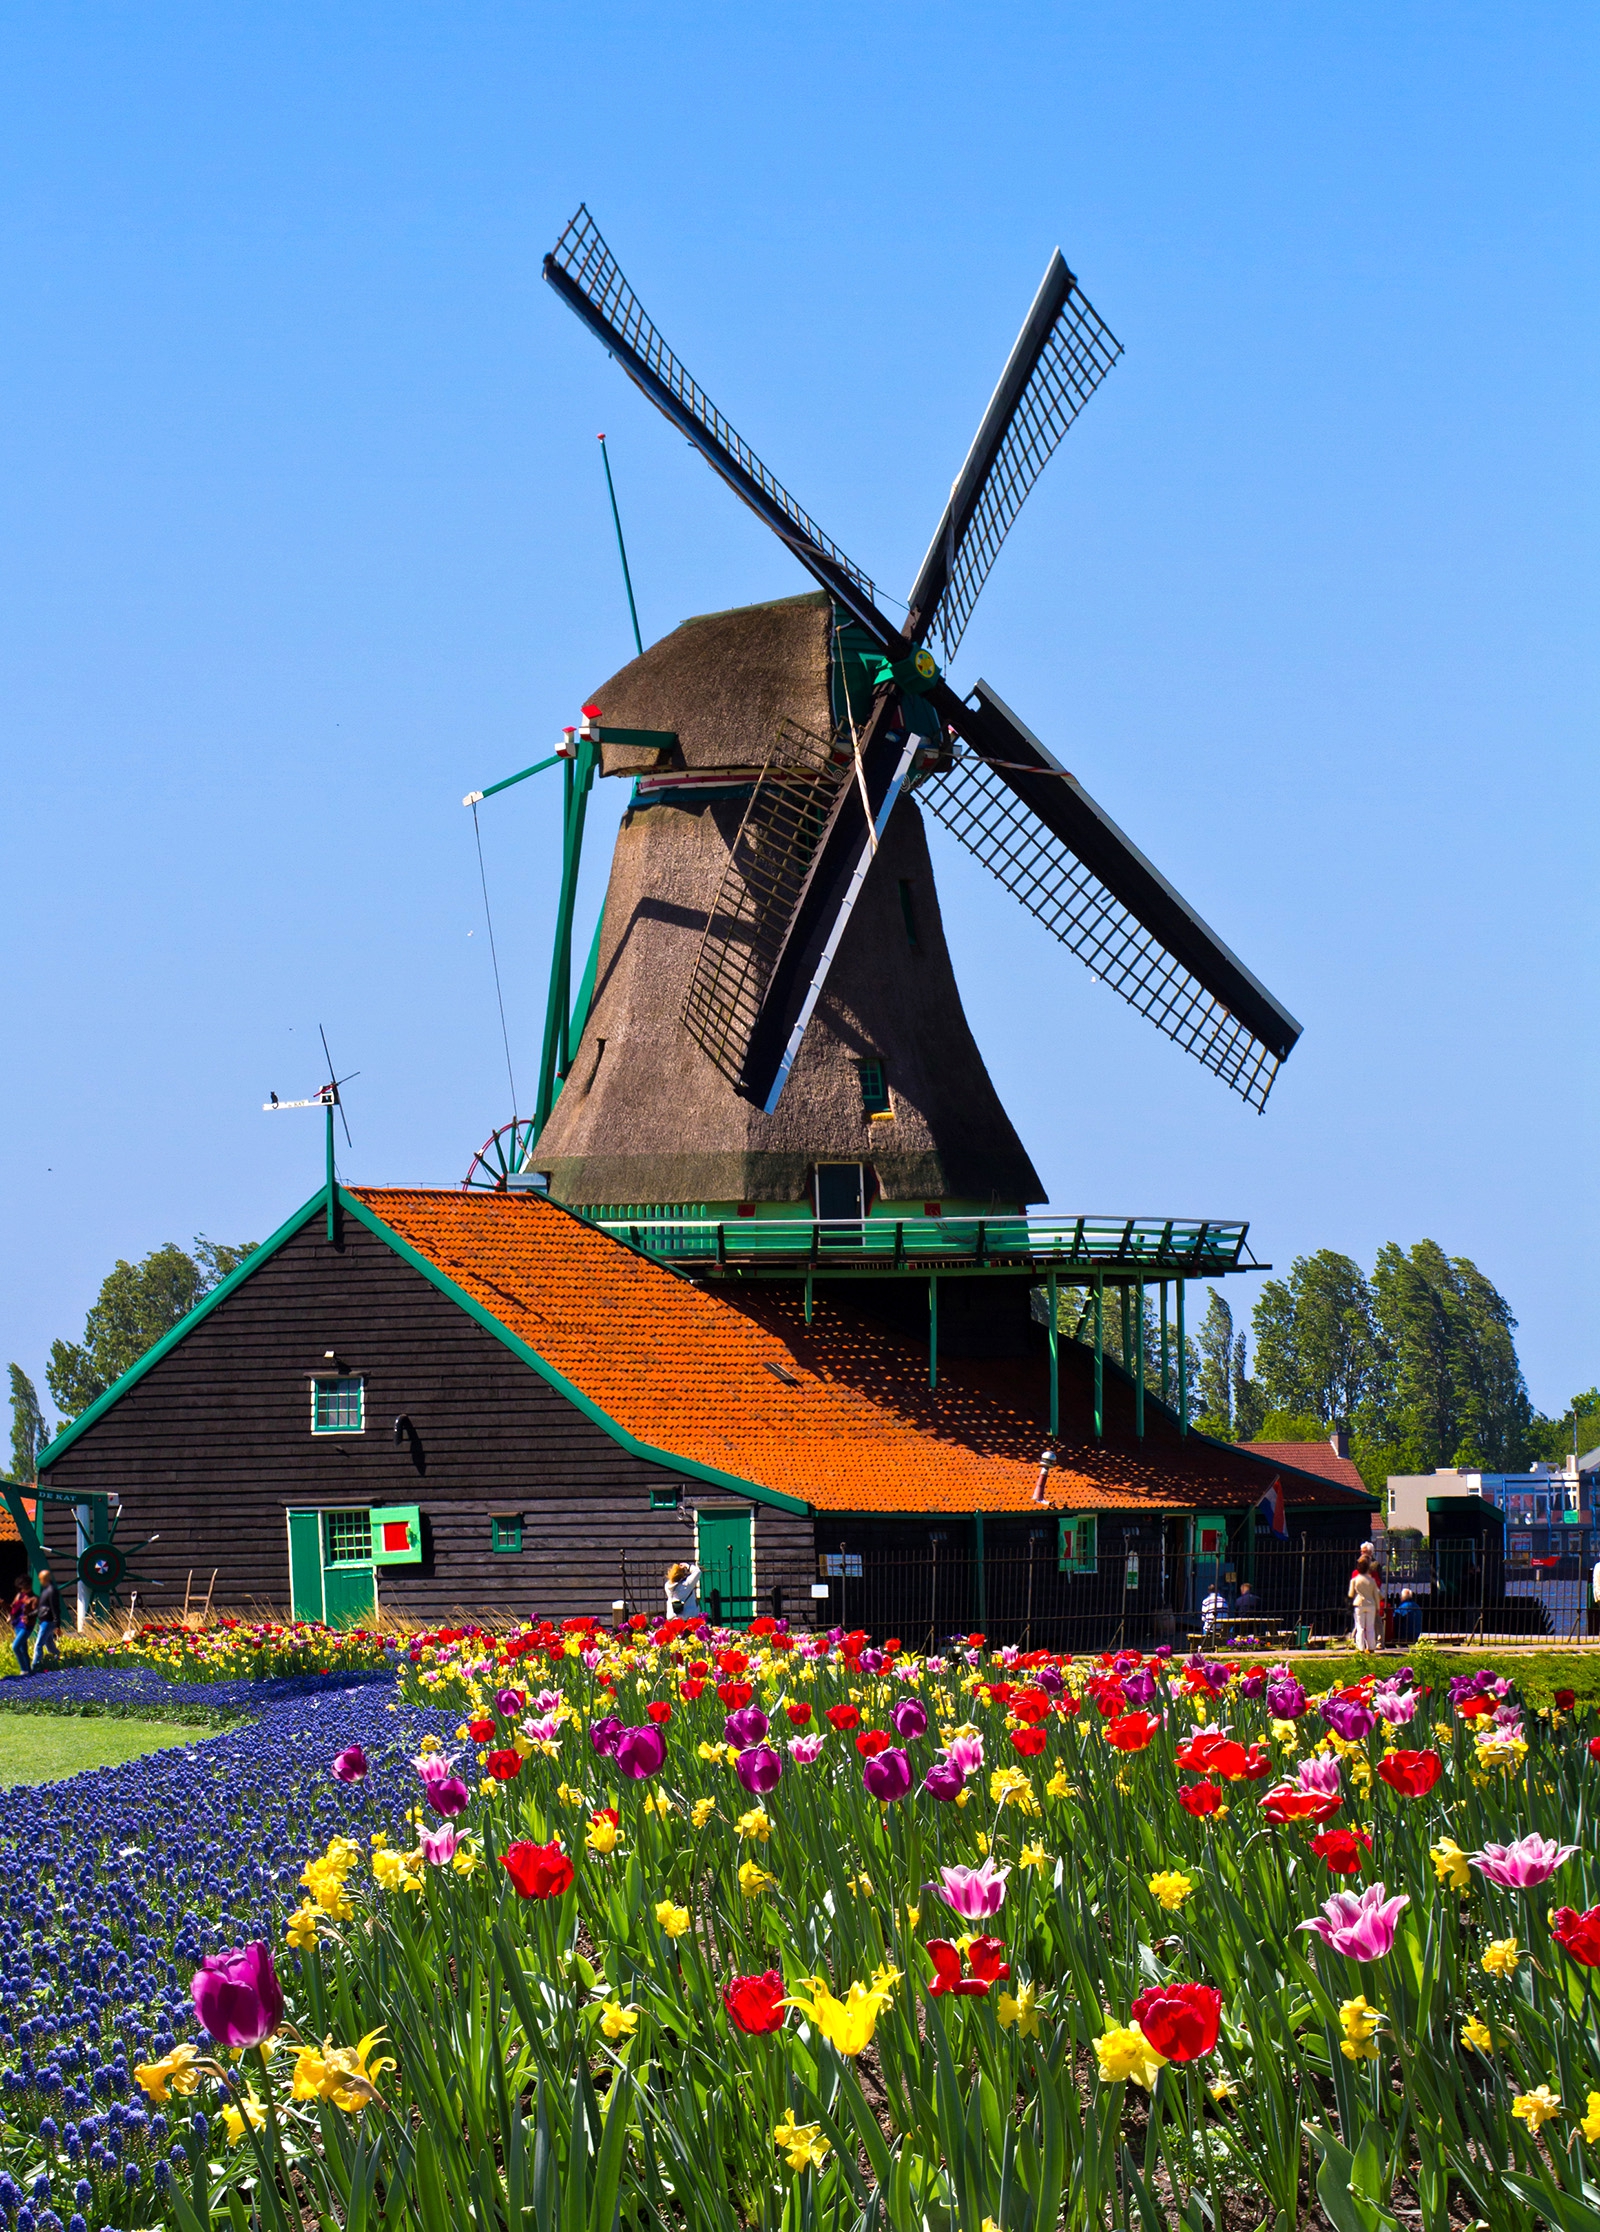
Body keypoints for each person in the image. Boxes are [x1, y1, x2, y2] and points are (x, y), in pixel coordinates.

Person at [30, 1567, 63, 1672]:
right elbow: (42, 1608)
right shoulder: (47, 1591)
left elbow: (55, 1607)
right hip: (45, 1621)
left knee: (38, 1645)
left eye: (41, 1579)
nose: (40, 1581)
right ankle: (60, 1659)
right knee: (50, 1647)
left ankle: (35, 1667)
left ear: (45, 1579)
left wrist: (57, 1624)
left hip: (48, 1622)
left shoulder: (51, 1591)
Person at [1348, 1551, 1381, 1653]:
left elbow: (1350, 1594)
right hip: (1371, 1604)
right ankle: (1371, 1647)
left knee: (1360, 1627)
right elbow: (1376, 1594)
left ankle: (1360, 1647)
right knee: (1370, 1627)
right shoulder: (1372, 1581)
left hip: (1359, 1604)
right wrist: (1378, 1607)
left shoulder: (1355, 1580)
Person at [8, 1578, 37, 1676]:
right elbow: (14, 1607)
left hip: (27, 1626)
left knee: (15, 1646)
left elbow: (35, 1611)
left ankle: (23, 1669)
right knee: (23, 1649)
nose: (23, 1590)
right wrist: (10, 1615)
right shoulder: (19, 1595)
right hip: (17, 1624)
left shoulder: (34, 1598)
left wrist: (27, 1609)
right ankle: (29, 1671)